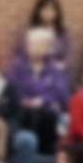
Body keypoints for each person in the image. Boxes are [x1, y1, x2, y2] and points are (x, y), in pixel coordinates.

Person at [6, 27, 70, 155]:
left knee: (49, 117)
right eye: (31, 44)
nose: (34, 47)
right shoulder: (16, 66)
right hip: (21, 112)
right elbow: (10, 89)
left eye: (39, 44)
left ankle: (45, 157)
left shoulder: (53, 69)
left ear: (48, 48)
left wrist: (43, 100)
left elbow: (62, 95)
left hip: (45, 115)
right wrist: (23, 100)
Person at [14, 0, 70, 72]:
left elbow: (66, 57)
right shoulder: (29, 31)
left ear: (57, 12)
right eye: (45, 8)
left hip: (54, 72)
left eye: (52, 9)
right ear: (38, 11)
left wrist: (59, 66)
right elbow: (20, 53)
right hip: (30, 71)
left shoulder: (61, 33)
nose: (48, 12)